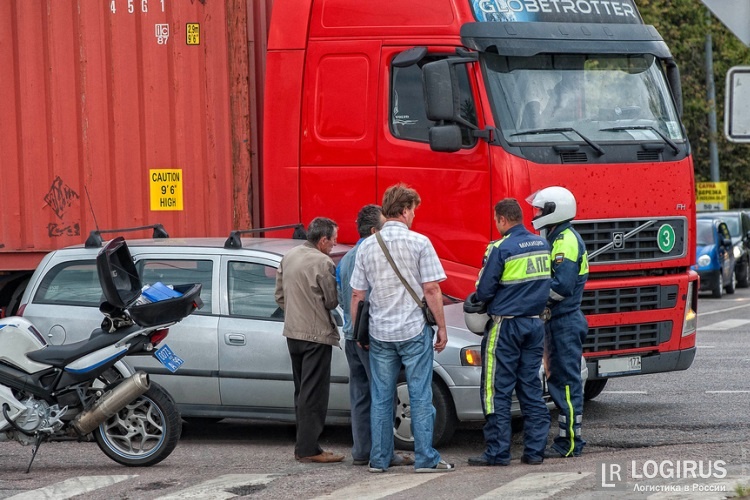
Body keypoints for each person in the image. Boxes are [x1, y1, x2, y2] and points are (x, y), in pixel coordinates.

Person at [350, 184, 454, 473]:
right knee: (420, 395)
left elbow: (358, 294)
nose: (414, 216)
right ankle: (425, 459)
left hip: (380, 334)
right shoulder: (420, 243)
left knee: (381, 398)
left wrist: (361, 333)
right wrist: (442, 328)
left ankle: (379, 460)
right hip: (413, 331)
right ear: (406, 209)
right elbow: (432, 289)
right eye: (414, 211)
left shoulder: (368, 246)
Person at [468, 198, 552, 467]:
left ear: (503, 219)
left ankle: (497, 452)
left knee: (496, 390)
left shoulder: (502, 247)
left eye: (496, 220)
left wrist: (480, 298)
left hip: (506, 325)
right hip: (535, 324)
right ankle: (535, 451)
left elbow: (484, 290)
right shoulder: (542, 244)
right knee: (530, 388)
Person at [335, 204, 414, 468]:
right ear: (373, 230)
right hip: (369, 336)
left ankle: (361, 450)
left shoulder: (345, 259)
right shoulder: (371, 254)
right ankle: (384, 452)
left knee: (359, 396)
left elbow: (341, 297)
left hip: (350, 335)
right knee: (384, 393)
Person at [274, 217, 344, 464]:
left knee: (302, 391)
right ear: (323, 240)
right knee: (314, 394)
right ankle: (308, 449)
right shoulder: (323, 262)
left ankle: (303, 444)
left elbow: (279, 296)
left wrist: (296, 311)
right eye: (333, 239)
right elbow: (332, 301)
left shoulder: (289, 255)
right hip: (316, 335)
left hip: (293, 333)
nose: (335, 244)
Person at [527, 187, 589, 459]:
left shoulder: (565, 241)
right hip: (557, 321)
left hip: (563, 321)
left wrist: (531, 299)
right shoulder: (557, 238)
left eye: (540, 210)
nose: (536, 215)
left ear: (554, 211)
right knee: (560, 382)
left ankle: (570, 443)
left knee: (565, 384)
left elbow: (561, 286)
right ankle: (567, 440)